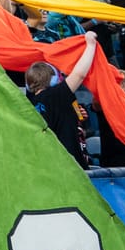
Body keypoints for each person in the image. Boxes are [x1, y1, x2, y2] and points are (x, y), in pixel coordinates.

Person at [24, 32, 98, 168]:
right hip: (70, 166)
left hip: (49, 165)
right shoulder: (56, 95)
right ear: (55, 79)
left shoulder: (28, 103)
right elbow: (80, 74)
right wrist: (90, 45)